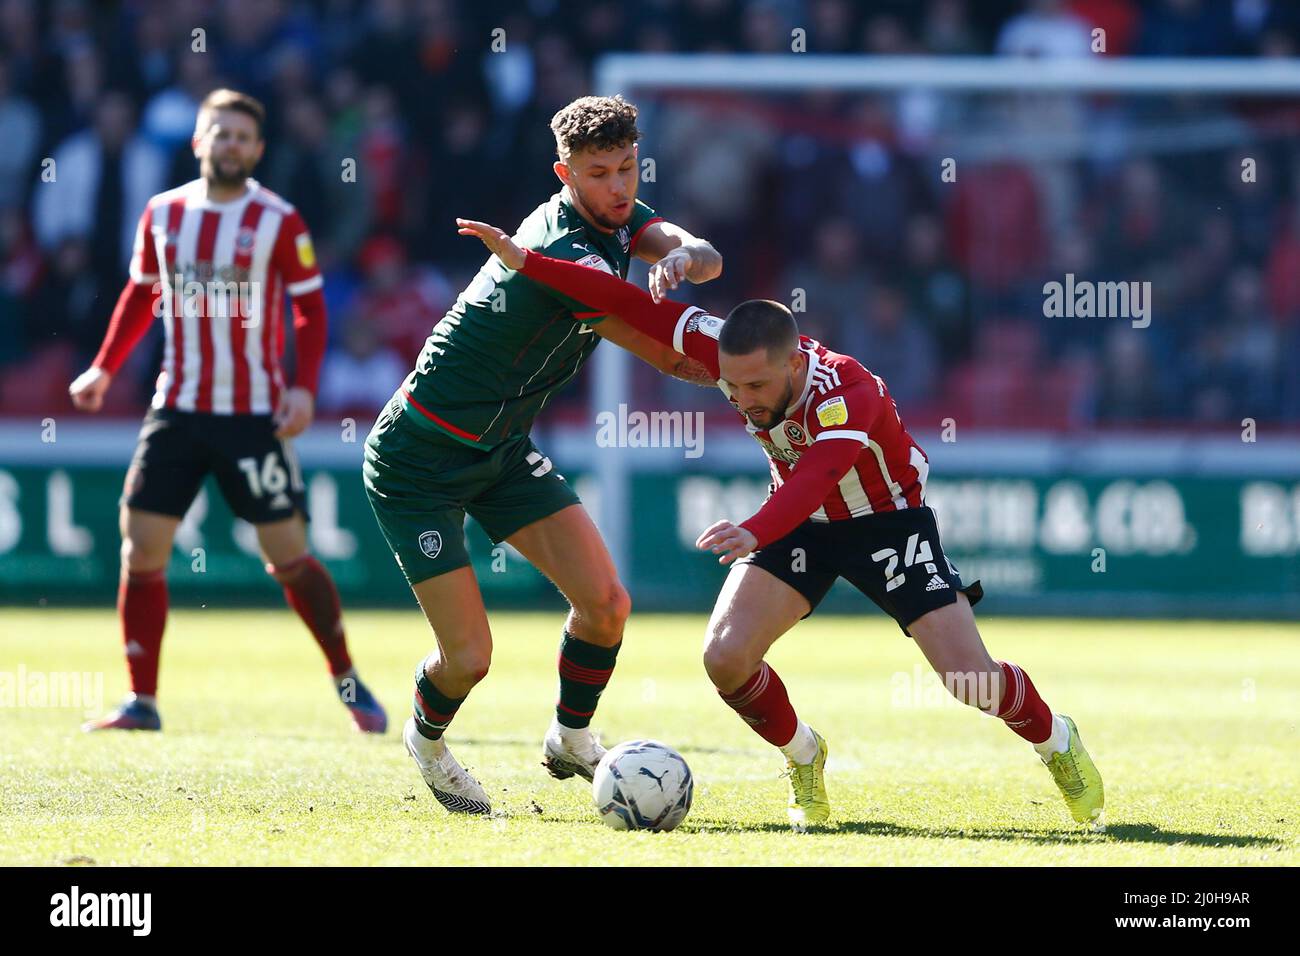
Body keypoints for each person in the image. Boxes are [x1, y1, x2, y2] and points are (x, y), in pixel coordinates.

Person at [455, 218, 1105, 832]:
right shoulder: (732, 356)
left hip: (886, 525)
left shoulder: (848, 390)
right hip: (796, 527)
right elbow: (630, 305)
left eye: (756, 386)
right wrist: (527, 261)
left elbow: (818, 479)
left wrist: (756, 529)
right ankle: (803, 756)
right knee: (724, 658)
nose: (743, 399)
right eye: (732, 387)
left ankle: (1057, 740)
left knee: (971, 681)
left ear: (794, 364)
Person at [364, 95, 722, 815]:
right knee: (469, 659)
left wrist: (681, 253)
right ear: (565, 174)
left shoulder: (620, 216)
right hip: (419, 458)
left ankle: (569, 738)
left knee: (606, 605)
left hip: (498, 449)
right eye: (600, 173)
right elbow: (661, 348)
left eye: (628, 168)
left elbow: (706, 258)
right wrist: (745, 370)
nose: (619, 186)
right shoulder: (562, 252)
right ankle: (427, 744)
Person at [68, 89, 387, 734]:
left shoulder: (279, 220)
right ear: (198, 141)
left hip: (252, 415)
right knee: (142, 550)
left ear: (258, 149)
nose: (231, 144)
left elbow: (311, 309)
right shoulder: (163, 213)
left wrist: (303, 388)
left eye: (243, 136)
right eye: (221, 133)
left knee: (289, 556)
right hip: (176, 408)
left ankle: (347, 680)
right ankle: (143, 701)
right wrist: (105, 365)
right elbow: (140, 293)